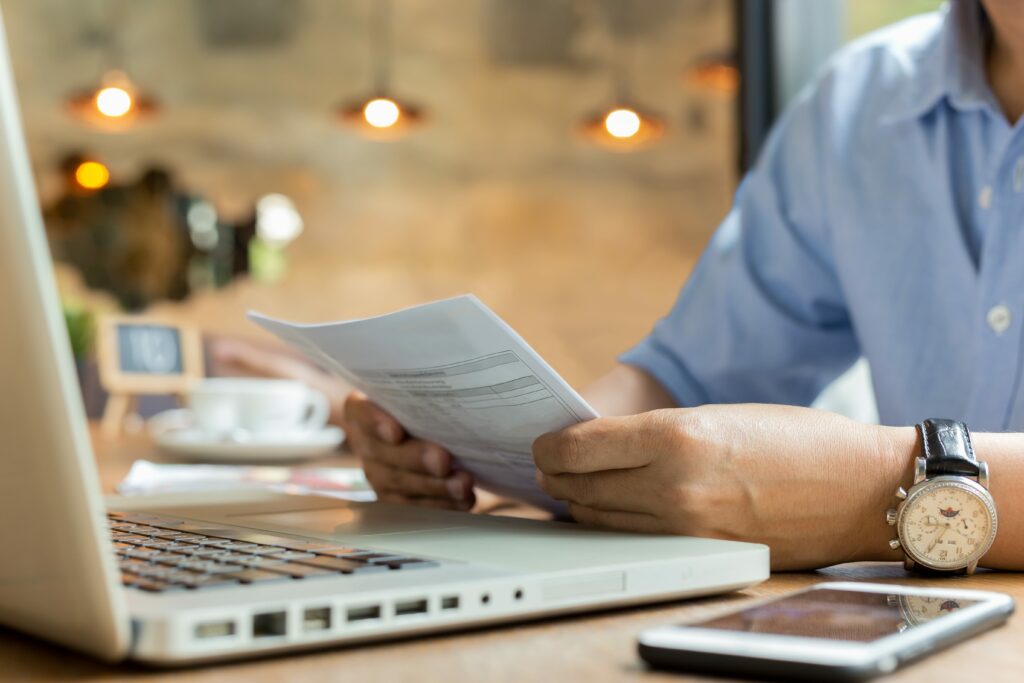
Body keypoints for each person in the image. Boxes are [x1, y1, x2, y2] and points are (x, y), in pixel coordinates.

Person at [214, 0, 1024, 571]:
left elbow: (848, 478)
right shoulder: (859, 102)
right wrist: (510, 447)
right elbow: (685, 375)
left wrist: (873, 490)